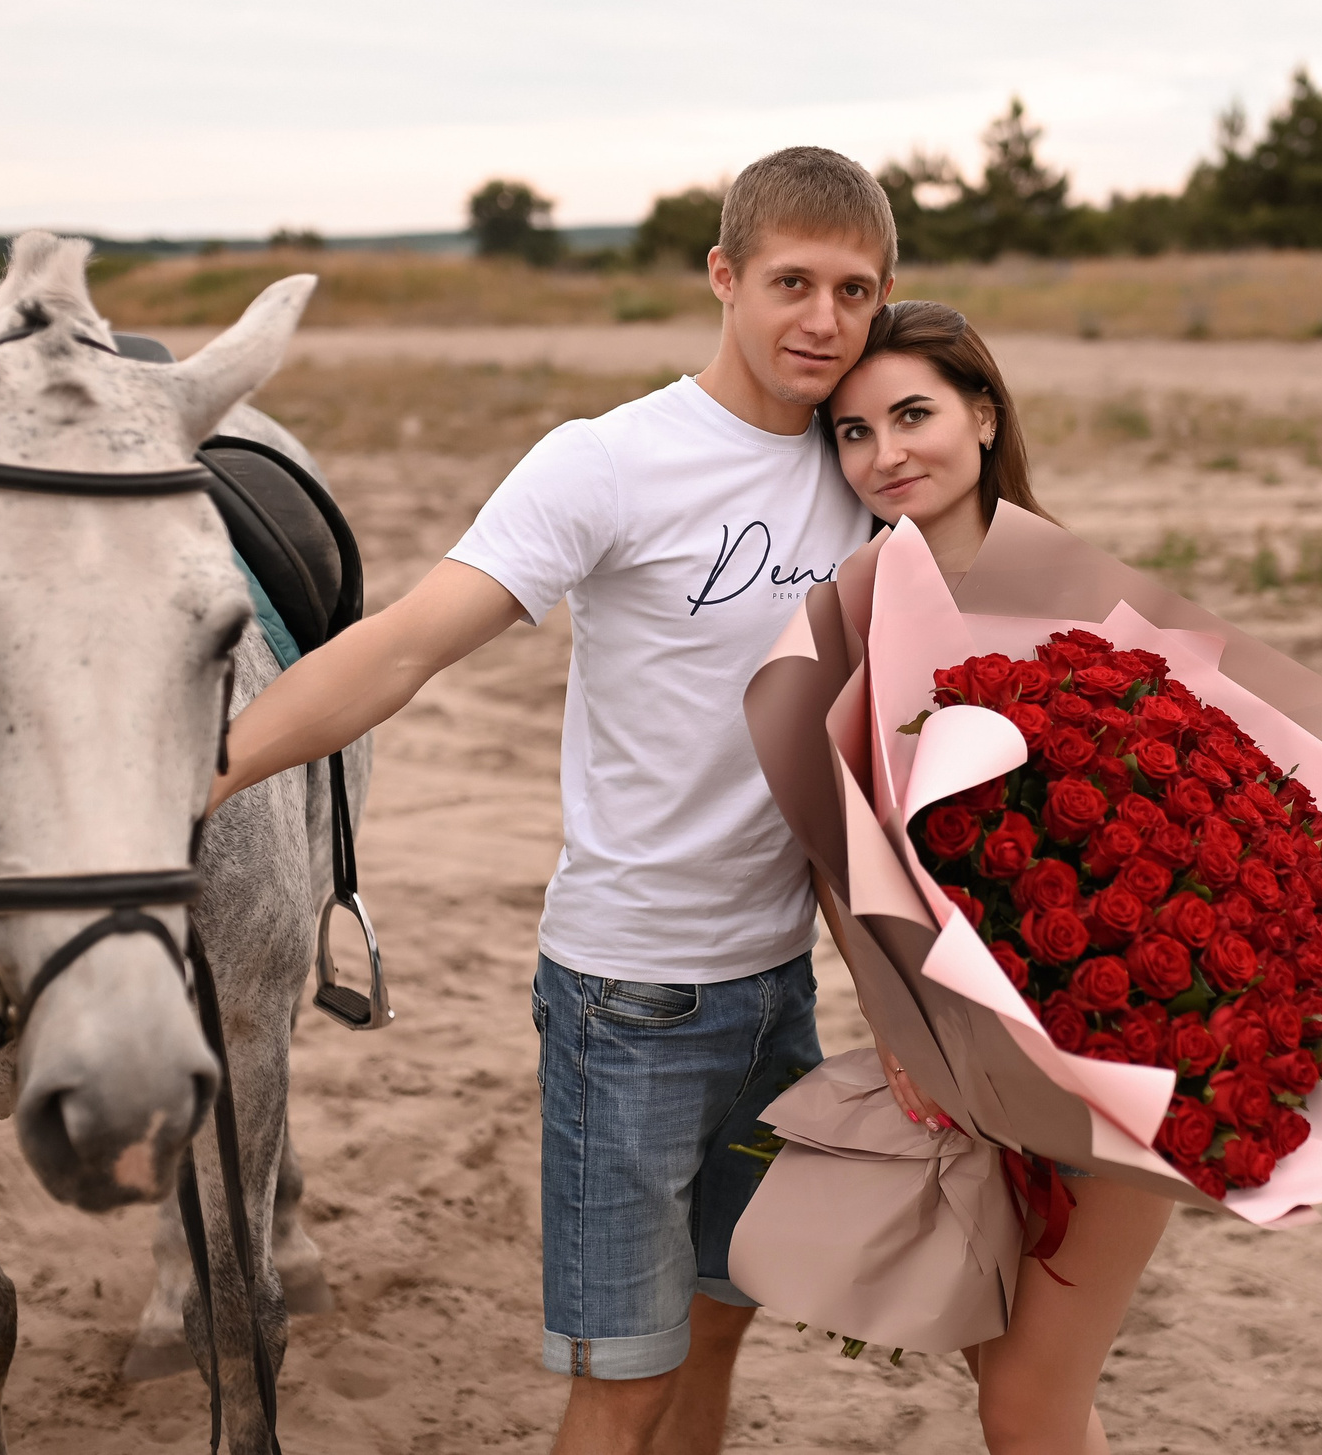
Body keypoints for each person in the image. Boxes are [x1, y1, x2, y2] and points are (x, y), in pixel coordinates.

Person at [208, 146, 895, 1455]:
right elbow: (406, 643)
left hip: (779, 984)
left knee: (724, 1314)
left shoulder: (862, 468)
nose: (823, 320)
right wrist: (207, 772)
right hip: (630, 996)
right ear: (724, 276)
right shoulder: (611, 461)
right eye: (793, 281)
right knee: (621, 1376)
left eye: (855, 291)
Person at [811, 300, 1174, 1455]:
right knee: (1022, 1385)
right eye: (852, 432)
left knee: (1027, 1397)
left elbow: (1164, 832)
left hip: (1112, 1046)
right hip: (964, 1063)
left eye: (911, 413)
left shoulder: (1075, 596)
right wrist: (906, 1038)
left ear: (981, 410)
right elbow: (839, 859)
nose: (884, 453)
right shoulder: (851, 614)